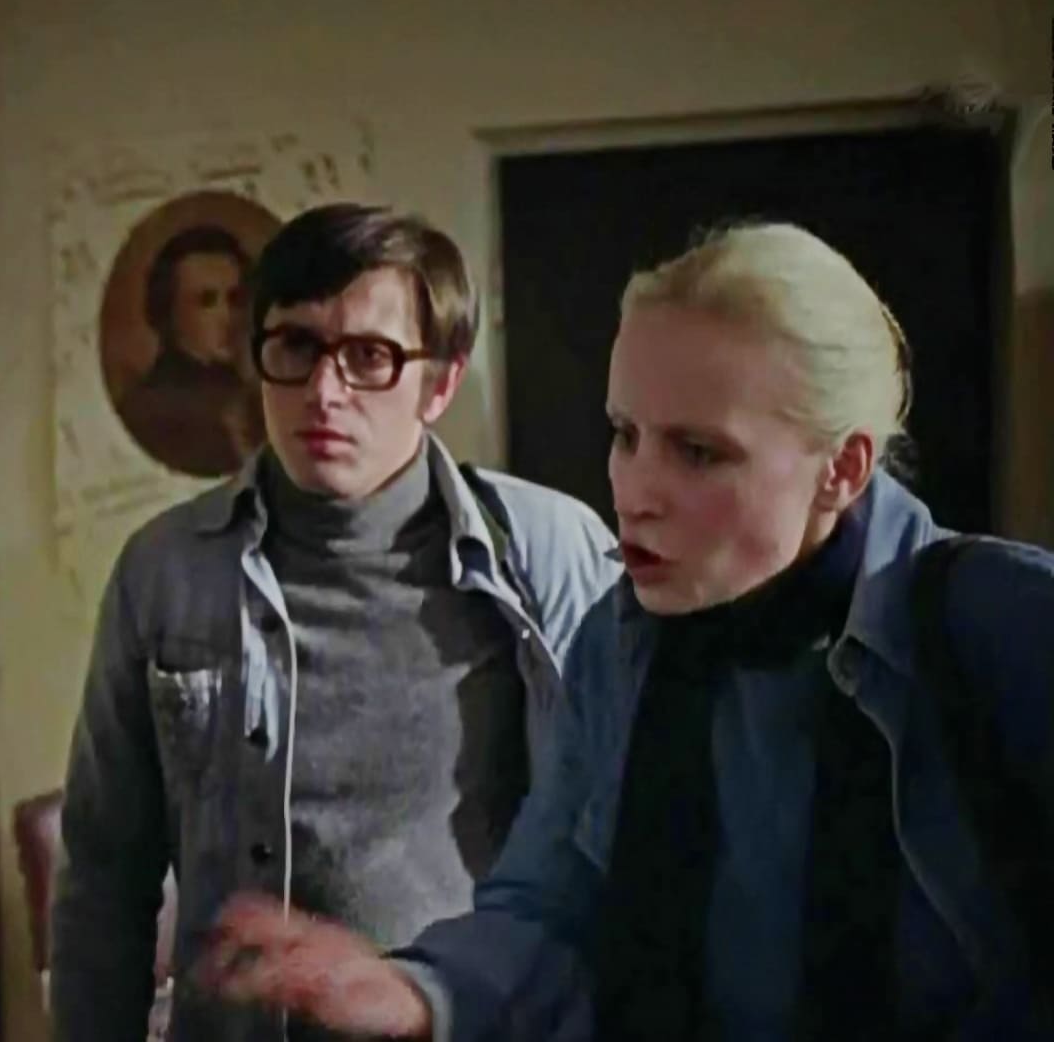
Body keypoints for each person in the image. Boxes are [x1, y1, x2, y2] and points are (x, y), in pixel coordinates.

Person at [197, 222, 1054, 1040]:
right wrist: (416, 992)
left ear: (843, 467)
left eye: (698, 452)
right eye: (625, 434)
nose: (634, 491)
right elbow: (551, 907)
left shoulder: (1005, 625)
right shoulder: (620, 643)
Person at [52, 204, 621, 1041]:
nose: (324, 392)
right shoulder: (167, 572)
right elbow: (104, 878)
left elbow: (612, 852)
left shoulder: (547, 551)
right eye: (296, 347)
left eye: (369, 357)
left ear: (440, 384)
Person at [116, 224, 267, 476]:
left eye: (235, 299)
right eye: (206, 301)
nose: (228, 317)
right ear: (168, 312)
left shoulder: (252, 393)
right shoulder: (148, 410)